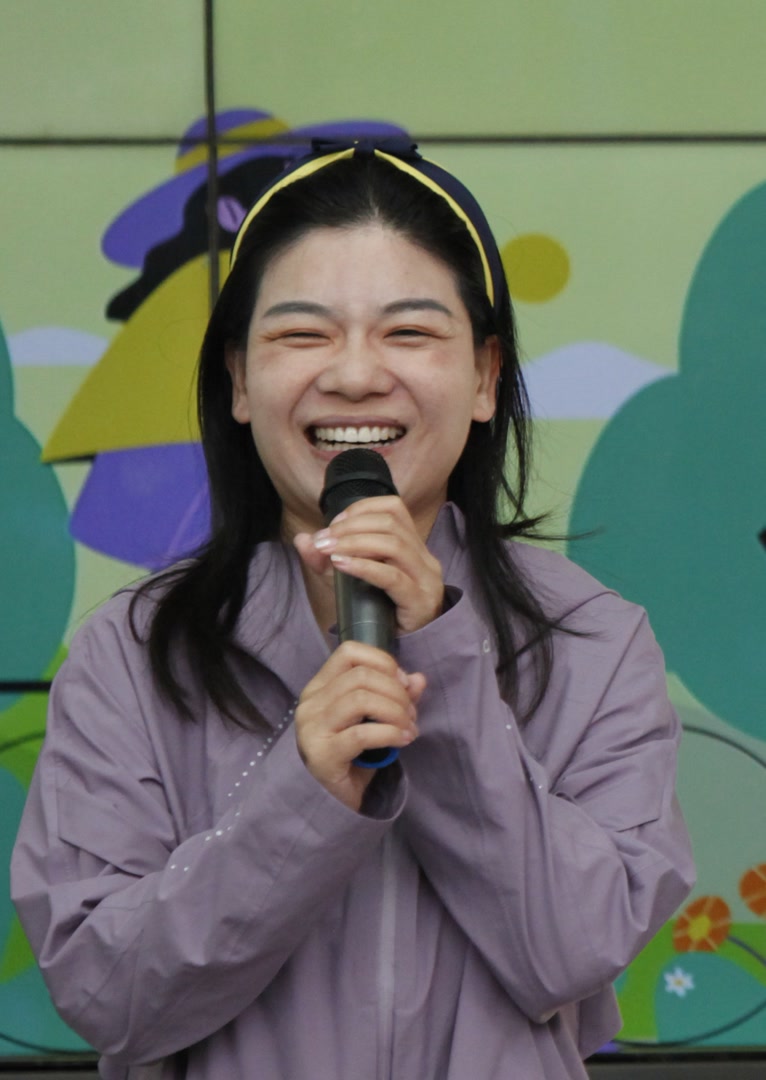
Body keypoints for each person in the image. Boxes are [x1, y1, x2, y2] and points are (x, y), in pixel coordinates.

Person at [11, 138, 695, 1080]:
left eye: (408, 333)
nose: (356, 375)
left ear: (486, 377)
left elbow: (575, 949)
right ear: (239, 380)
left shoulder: (595, 645)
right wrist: (303, 794)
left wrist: (442, 666)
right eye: (303, 335)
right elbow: (107, 995)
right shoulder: (131, 658)